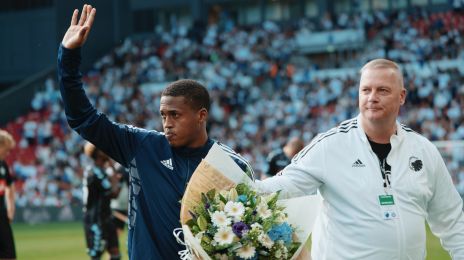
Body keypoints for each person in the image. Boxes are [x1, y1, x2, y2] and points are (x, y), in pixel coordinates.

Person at [58, 5, 254, 259]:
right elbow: (82, 118)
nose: (167, 123)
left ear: (201, 115)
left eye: (175, 115)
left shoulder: (231, 164)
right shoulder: (142, 146)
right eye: (163, 115)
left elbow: (251, 231)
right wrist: (68, 56)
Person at [256, 59, 464, 259]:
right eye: (366, 90)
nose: (372, 97)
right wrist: (236, 188)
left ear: (401, 97)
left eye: (382, 90)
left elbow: (453, 221)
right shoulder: (330, 146)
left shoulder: (424, 150)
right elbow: (285, 186)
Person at [82, 142, 121, 260]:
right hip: (95, 219)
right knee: (96, 255)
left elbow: (115, 192)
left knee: (115, 253)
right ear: (97, 153)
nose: (106, 151)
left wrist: (112, 168)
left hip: (106, 217)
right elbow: (114, 192)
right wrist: (113, 173)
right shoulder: (94, 172)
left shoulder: (101, 171)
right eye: (103, 149)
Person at [0, 130, 16, 260]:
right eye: (6, 149)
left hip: (2, 216)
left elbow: (10, 187)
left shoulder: (3, 165)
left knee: (9, 254)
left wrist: (11, 209)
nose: (8, 153)